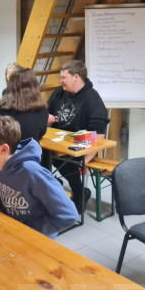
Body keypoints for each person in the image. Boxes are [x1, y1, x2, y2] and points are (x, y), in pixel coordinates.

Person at [0, 115, 78, 239]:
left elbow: (69, 215)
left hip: (37, 238)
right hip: (15, 232)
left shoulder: (32, 172)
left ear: (4, 149)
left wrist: (29, 230)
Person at [47, 60, 109, 213]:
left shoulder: (92, 98)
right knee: (40, 153)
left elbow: (99, 134)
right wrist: (46, 116)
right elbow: (45, 111)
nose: (60, 81)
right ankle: (53, 186)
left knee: (61, 159)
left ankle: (79, 193)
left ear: (76, 77)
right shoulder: (59, 93)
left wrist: (85, 160)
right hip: (57, 143)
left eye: (63, 77)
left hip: (80, 147)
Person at [0, 68, 49, 141]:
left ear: (10, 85)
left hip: (4, 147)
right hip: (30, 148)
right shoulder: (42, 109)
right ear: (35, 87)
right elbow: (41, 133)